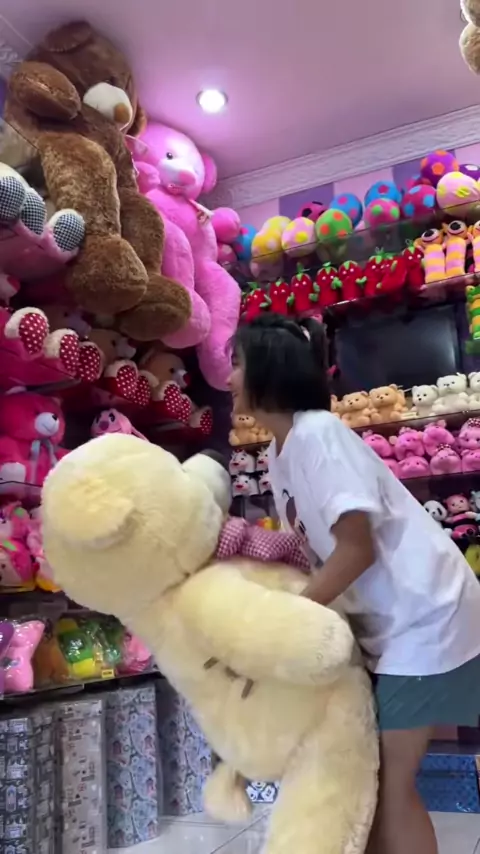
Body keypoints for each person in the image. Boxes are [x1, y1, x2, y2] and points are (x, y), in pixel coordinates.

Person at [228, 313, 480, 854]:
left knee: (388, 787)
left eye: (237, 363)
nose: (228, 379)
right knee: (368, 783)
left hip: (427, 619)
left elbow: (356, 549)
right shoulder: (280, 452)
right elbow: (318, 550)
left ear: (268, 368)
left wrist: (289, 619)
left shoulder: (319, 435)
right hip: (394, 625)